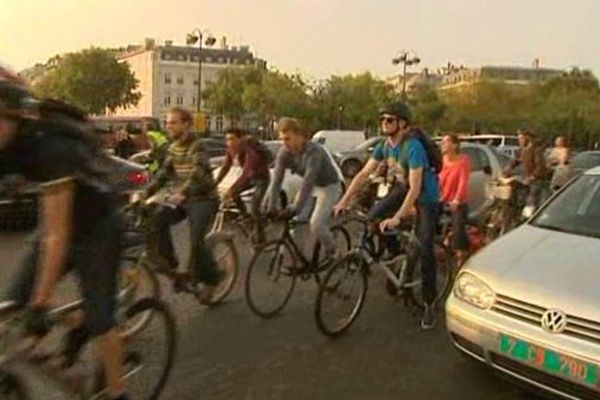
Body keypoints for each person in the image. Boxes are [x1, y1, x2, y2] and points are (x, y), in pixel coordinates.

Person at [0, 67, 130, 400]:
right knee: (14, 305)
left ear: (14, 114)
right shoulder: (7, 140)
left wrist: (41, 305)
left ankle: (118, 390)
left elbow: (57, 236)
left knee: (101, 317)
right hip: (58, 224)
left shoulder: (49, 147)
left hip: (97, 226)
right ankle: (72, 325)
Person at [334, 101, 441, 330]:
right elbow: (364, 174)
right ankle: (397, 255)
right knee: (372, 219)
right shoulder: (385, 145)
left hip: (426, 197)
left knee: (425, 249)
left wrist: (398, 217)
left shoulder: (413, 147)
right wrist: (344, 201)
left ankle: (430, 303)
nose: (384, 123)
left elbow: (415, 189)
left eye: (389, 120)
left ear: (402, 123)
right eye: (382, 119)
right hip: (403, 188)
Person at [143, 107, 222, 303]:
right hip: (184, 197)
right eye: (167, 122)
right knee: (157, 218)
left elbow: (197, 173)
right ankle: (172, 264)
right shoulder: (173, 147)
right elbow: (163, 174)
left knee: (197, 241)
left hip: (204, 198)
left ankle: (213, 278)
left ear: (187, 124)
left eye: (173, 122)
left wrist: (182, 192)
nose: (168, 126)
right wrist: (144, 193)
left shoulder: (198, 145)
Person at [265, 117, 342, 260]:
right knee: (296, 221)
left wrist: (295, 207)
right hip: (311, 187)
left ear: (299, 135)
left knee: (316, 224)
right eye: (282, 139)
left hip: (328, 186)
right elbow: (276, 181)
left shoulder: (315, 152)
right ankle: (298, 258)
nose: (284, 143)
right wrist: (271, 206)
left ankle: (334, 250)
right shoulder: (284, 153)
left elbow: (308, 180)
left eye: (287, 139)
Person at [215, 127, 271, 243]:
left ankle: (261, 238)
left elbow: (246, 174)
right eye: (227, 140)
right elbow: (225, 167)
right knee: (234, 194)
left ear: (241, 139)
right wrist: (214, 184)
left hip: (261, 178)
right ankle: (245, 216)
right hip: (250, 177)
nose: (229, 142)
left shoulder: (251, 151)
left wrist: (231, 189)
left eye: (232, 139)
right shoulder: (231, 149)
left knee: (255, 207)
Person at [439, 134, 471, 267]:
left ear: (455, 145)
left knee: (458, 229)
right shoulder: (443, 160)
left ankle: (461, 255)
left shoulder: (463, 160)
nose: (443, 144)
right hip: (443, 199)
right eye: (443, 142)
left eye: (446, 142)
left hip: (458, 202)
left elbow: (463, 182)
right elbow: (438, 179)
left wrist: (457, 200)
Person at [506, 129, 547, 211]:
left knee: (531, 202)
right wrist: (506, 171)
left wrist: (533, 176)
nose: (520, 141)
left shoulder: (536, 150)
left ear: (528, 139)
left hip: (535, 180)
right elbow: (514, 161)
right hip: (524, 178)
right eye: (519, 139)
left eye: (521, 138)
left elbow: (540, 166)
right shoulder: (521, 150)